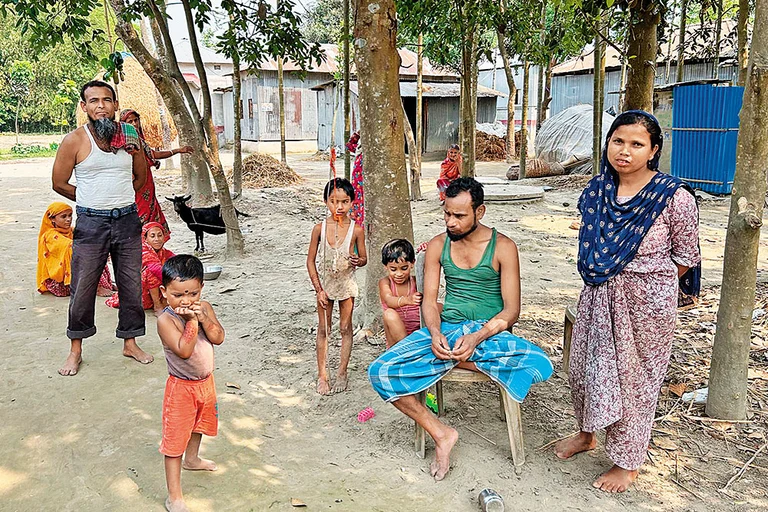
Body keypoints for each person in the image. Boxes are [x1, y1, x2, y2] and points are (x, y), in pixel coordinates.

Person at [553, 111, 701, 493]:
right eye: (618, 141)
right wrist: (610, 276)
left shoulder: (674, 198)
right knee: (586, 368)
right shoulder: (597, 190)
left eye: (637, 144)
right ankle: (586, 435)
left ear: (653, 151)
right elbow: (589, 246)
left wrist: (646, 283)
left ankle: (627, 462)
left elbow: (686, 257)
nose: (625, 151)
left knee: (636, 382)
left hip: (647, 306)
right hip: (597, 295)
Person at [368, 178, 553, 481]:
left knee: (539, 363)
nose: (451, 222)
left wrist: (478, 336)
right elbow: (428, 302)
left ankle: (460, 355)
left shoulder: (504, 247)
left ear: (480, 211)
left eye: (459, 216)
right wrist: (436, 333)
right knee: (380, 372)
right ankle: (441, 433)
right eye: (447, 214)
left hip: (487, 334)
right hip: (449, 330)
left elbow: (511, 311)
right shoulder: (438, 245)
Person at [52, 80, 152, 376]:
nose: (100, 106)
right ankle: (75, 351)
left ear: (115, 104)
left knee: (131, 283)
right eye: (93, 101)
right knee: (83, 287)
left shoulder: (130, 136)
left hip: (127, 220)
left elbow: (140, 179)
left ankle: (130, 342)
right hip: (91, 223)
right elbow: (58, 182)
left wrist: (119, 197)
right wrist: (89, 200)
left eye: (106, 100)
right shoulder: (75, 140)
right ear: (84, 107)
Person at [156, 254, 224, 512]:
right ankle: (174, 496)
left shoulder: (203, 307)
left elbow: (218, 337)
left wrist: (204, 317)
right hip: (181, 387)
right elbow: (184, 350)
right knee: (174, 442)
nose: (186, 301)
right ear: (164, 292)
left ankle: (192, 459)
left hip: (206, 383)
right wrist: (193, 322)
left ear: (201, 288)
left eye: (192, 294)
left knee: (199, 425)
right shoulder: (167, 320)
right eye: (178, 295)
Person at [306, 178, 368, 395]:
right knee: (324, 329)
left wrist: (357, 260)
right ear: (325, 202)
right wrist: (318, 289)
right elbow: (310, 261)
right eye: (333, 201)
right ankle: (323, 375)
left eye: (344, 201)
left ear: (352, 202)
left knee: (345, 328)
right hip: (324, 286)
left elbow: (364, 258)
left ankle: (342, 371)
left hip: (346, 286)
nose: (339, 207)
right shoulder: (319, 229)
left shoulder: (356, 230)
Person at [120, 108, 194, 238]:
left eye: (135, 120)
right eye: (129, 121)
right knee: (139, 213)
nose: (133, 124)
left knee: (150, 211)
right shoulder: (123, 142)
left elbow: (153, 154)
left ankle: (153, 246)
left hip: (147, 183)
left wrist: (178, 150)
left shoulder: (140, 140)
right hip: (134, 184)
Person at [37, 202, 113, 298]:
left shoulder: (70, 231)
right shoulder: (50, 235)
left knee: (95, 250)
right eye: (63, 217)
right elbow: (70, 246)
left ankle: (105, 283)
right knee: (85, 253)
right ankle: (96, 287)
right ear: (52, 219)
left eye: (70, 215)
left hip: (75, 274)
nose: (68, 219)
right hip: (61, 281)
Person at [105, 221, 175, 315]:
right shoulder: (143, 250)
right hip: (136, 293)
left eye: (160, 235)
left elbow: (177, 262)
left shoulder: (164, 252)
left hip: (151, 291)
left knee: (173, 268)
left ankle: (163, 301)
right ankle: (157, 305)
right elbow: (155, 268)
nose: (157, 239)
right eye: (152, 236)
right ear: (145, 238)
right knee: (150, 272)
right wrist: (174, 280)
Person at [379, 239, 422, 348]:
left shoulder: (417, 282)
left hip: (418, 335)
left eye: (404, 268)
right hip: (396, 342)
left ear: (412, 263)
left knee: (439, 306)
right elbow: (389, 300)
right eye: (393, 269)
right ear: (386, 266)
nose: (399, 274)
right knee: (389, 314)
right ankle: (407, 350)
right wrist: (407, 300)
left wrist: (427, 251)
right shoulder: (386, 282)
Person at [346, 132, 365, 227]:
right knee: (358, 203)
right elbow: (349, 146)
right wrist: (358, 134)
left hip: (365, 181)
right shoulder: (359, 148)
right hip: (357, 181)